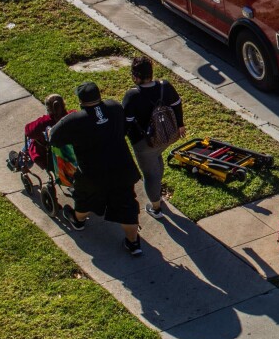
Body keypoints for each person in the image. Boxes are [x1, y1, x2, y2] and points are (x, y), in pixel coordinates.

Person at [49, 82, 144, 256]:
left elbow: (53, 137)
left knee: (85, 197)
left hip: (93, 174)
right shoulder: (114, 107)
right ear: (99, 95)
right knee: (127, 206)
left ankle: (78, 221)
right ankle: (133, 243)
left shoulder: (75, 120)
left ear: (80, 101)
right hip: (122, 169)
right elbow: (123, 128)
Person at [122, 56, 186, 219]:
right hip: (169, 136)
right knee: (156, 160)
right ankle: (157, 191)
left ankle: (156, 208)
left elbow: (127, 123)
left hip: (146, 143)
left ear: (135, 76)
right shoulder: (165, 86)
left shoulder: (132, 95)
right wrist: (180, 125)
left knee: (150, 174)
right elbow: (177, 105)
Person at [21, 94, 72, 171]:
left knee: (31, 140)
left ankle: (21, 163)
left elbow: (27, 131)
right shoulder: (73, 115)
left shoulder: (43, 122)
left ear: (48, 108)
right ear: (64, 104)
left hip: (51, 161)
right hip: (73, 156)